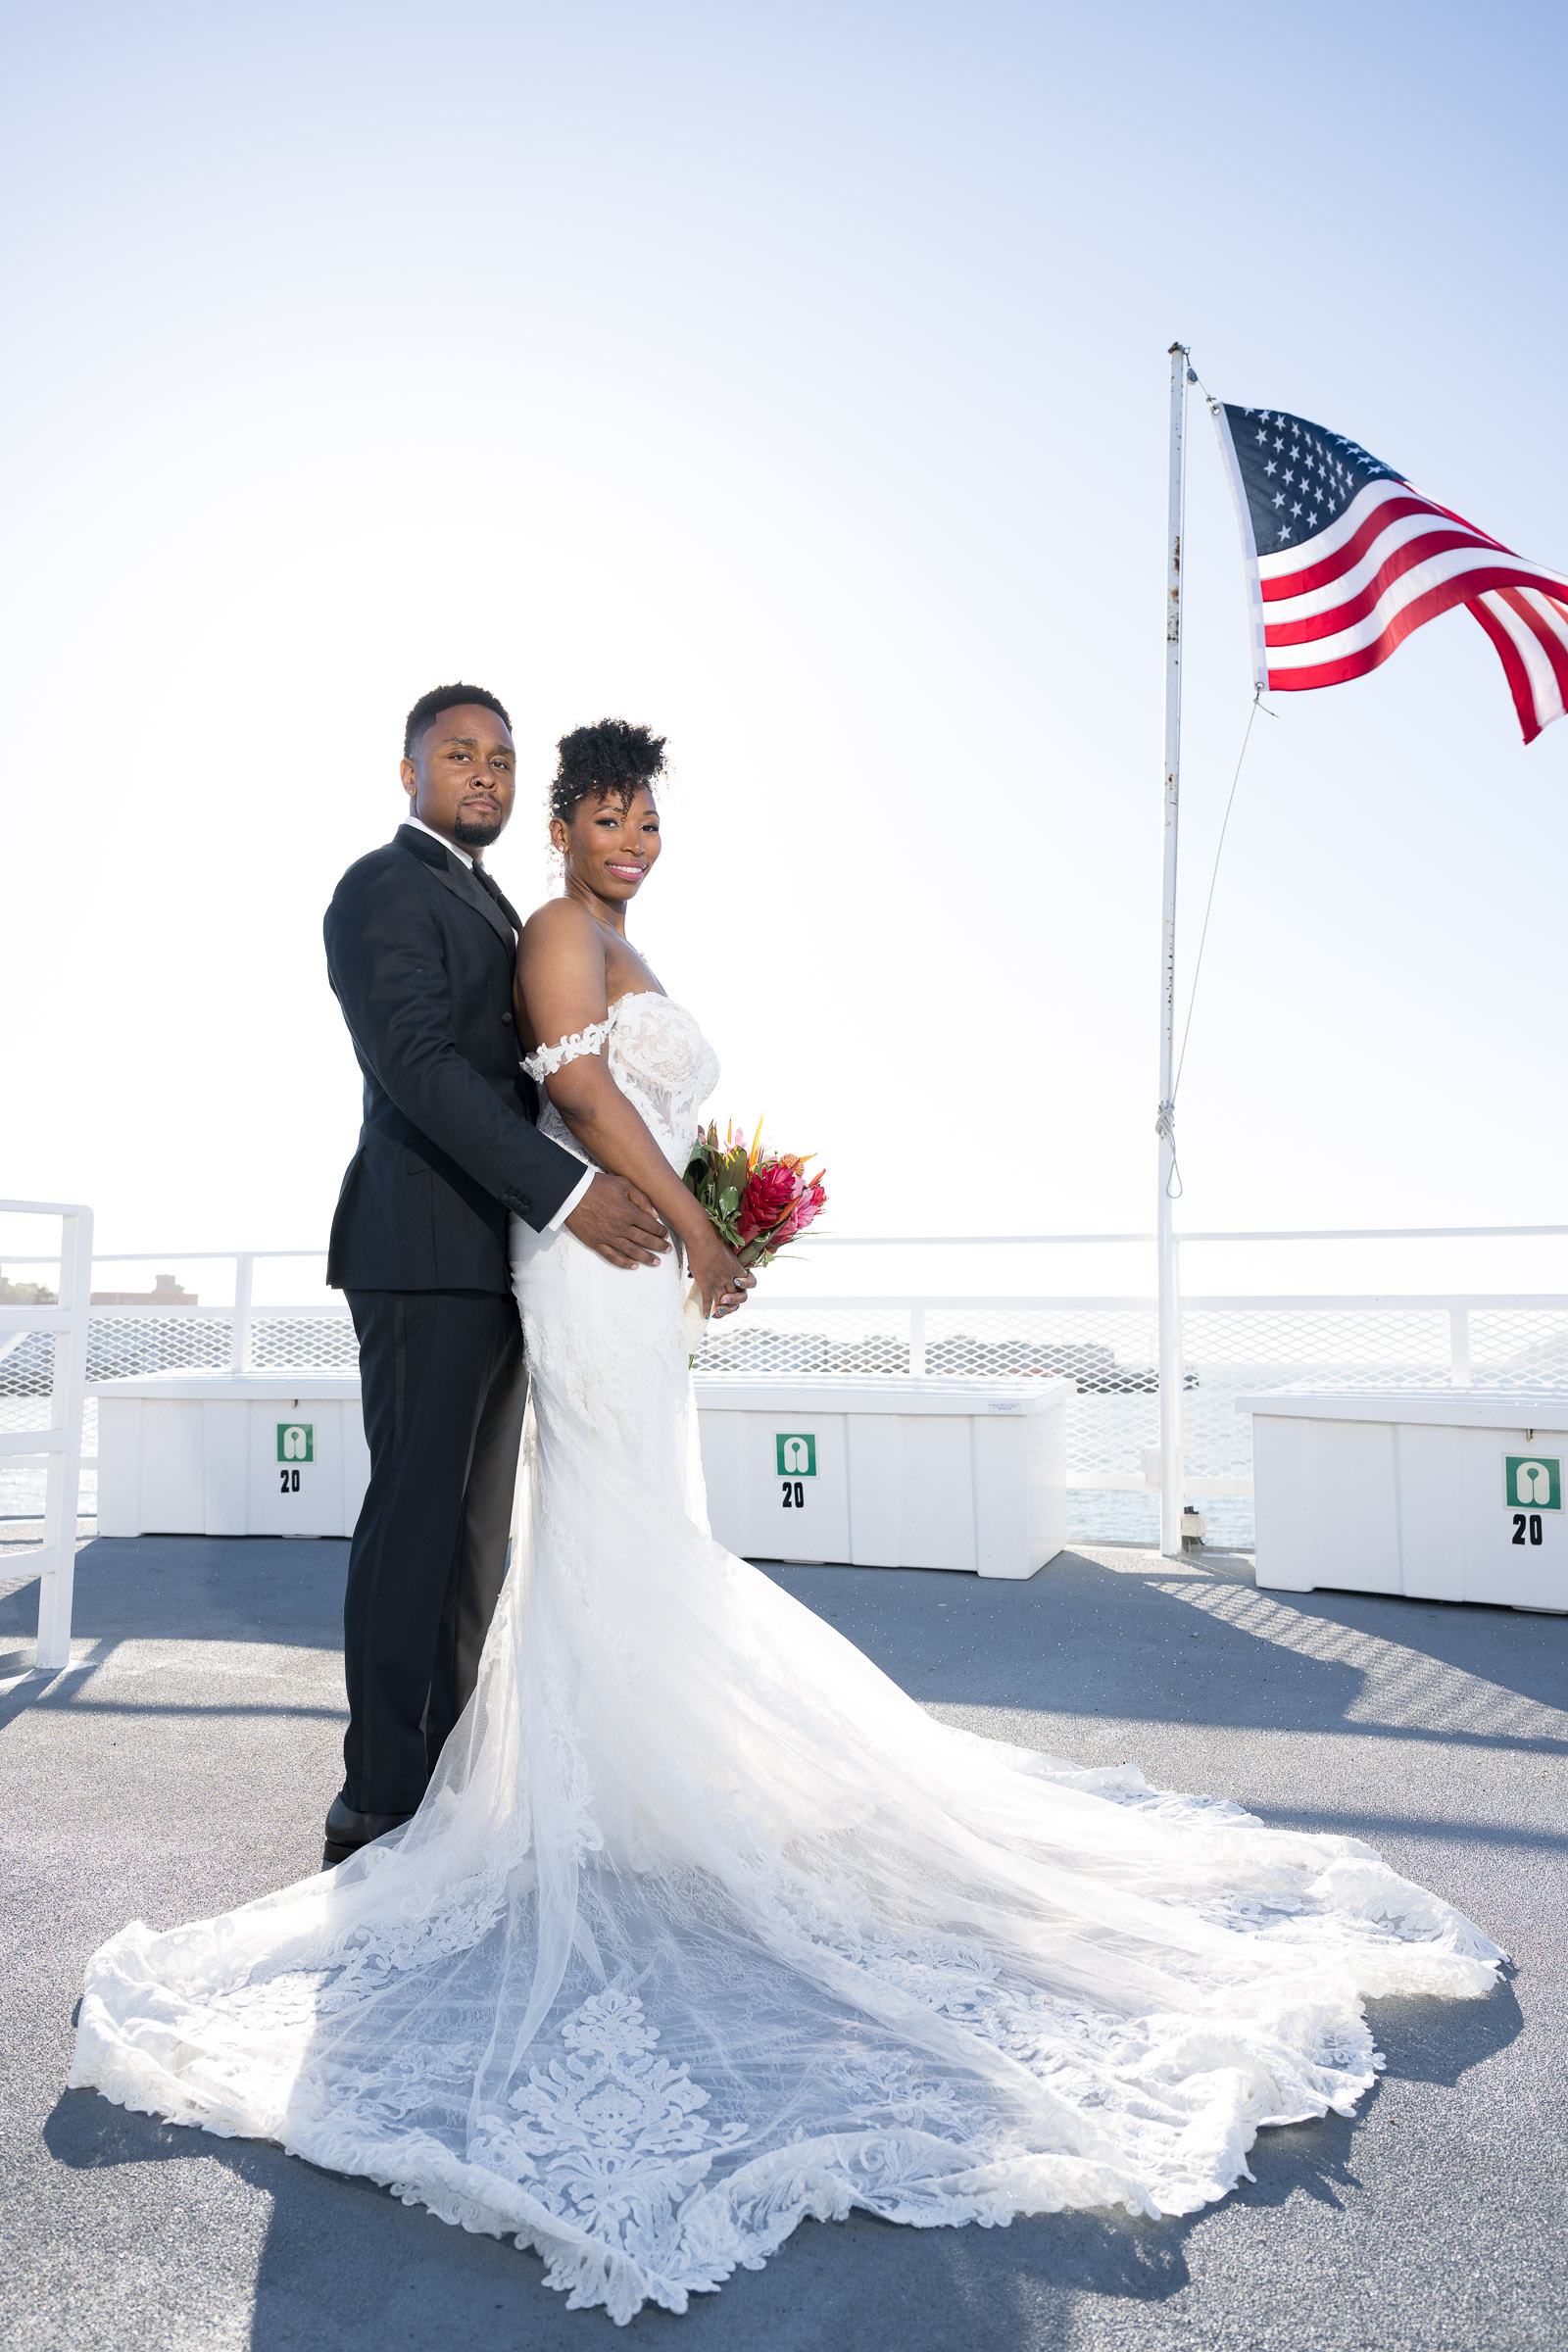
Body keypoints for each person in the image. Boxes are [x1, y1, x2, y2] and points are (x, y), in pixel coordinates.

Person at [71, 719, 1502, 2325]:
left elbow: (623, 1092)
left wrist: (713, 1207)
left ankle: (606, 1792)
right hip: (589, 1250)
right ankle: (420, 1808)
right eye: (603, 814)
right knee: (546, 1537)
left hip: (619, 1256)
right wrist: (689, 1224)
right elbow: (577, 1094)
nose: (631, 837)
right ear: (549, 819)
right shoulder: (539, 927)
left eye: (647, 817)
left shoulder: (593, 927)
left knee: (593, 1540)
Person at [317, 685, 741, 1867]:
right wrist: (565, 1192)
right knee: (413, 1527)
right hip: (421, 1250)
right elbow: (418, 1068)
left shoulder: (496, 905)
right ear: (408, 770)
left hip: (505, 1258)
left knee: (474, 1541)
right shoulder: (381, 888)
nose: (485, 775)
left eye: (501, 758)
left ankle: (452, 1773)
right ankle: (378, 1799)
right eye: (460, 755)